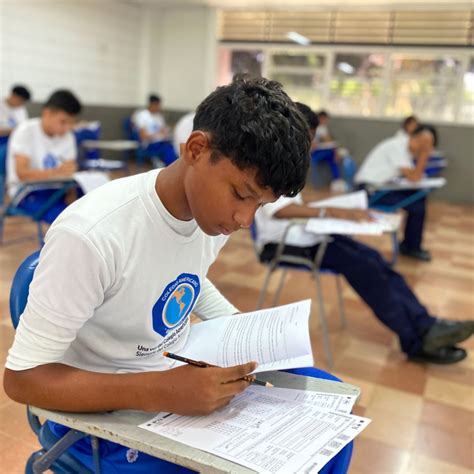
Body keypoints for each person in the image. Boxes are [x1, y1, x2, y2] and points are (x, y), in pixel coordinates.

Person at [4, 77, 313, 472]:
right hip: (102, 425)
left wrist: (241, 328)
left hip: (172, 377)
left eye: (261, 204)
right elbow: (22, 380)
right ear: (196, 149)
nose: (244, 219)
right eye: (240, 194)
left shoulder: (208, 217)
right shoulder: (93, 235)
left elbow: (185, 279)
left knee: (312, 394)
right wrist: (162, 391)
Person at [255, 102, 473, 365]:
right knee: (366, 269)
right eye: (307, 141)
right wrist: (331, 213)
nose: (311, 148)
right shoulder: (266, 165)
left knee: (376, 260)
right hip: (282, 244)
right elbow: (279, 212)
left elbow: (295, 208)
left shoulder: (285, 163)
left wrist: (332, 214)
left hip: (307, 236)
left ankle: (427, 325)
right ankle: (417, 340)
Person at [354, 124, 437, 261]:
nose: (424, 149)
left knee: (418, 199)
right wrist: (424, 154)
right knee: (417, 205)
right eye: (423, 144)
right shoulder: (397, 147)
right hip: (368, 191)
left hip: (379, 187)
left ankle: (410, 245)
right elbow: (415, 177)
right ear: (414, 138)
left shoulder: (404, 149)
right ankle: (411, 247)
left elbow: (413, 176)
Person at [6, 89, 81, 224]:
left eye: (71, 123)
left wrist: (73, 201)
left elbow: (69, 173)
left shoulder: (68, 136)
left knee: (93, 205)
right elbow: (22, 174)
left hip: (58, 188)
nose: (67, 128)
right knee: (66, 221)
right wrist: (57, 173)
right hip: (27, 191)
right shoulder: (26, 130)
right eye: (63, 122)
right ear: (47, 113)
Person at [133, 93, 177, 166]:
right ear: (152, 104)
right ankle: (170, 168)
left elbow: (164, 131)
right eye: (157, 105)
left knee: (174, 147)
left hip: (161, 142)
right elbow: (143, 136)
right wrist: (157, 134)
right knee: (168, 150)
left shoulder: (159, 116)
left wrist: (166, 132)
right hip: (149, 144)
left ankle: (169, 167)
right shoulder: (142, 116)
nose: (159, 107)